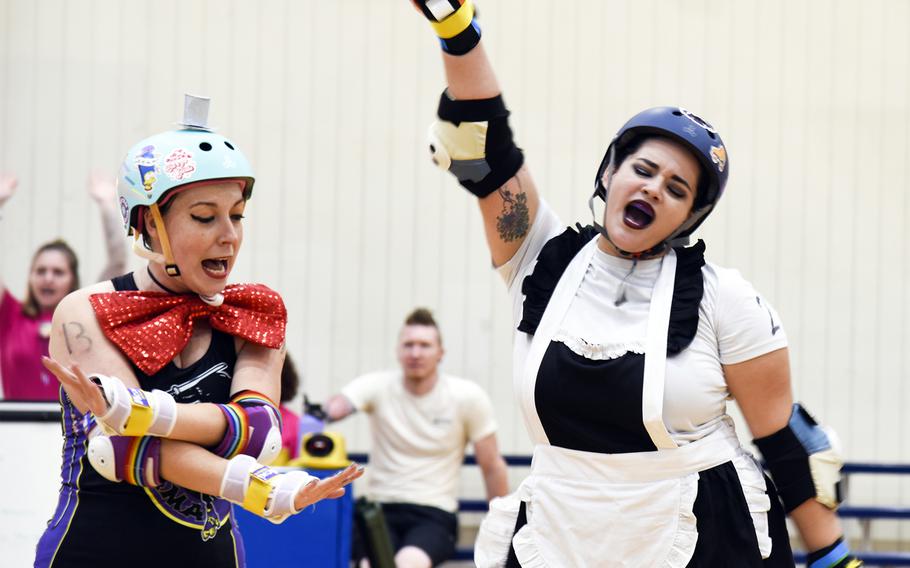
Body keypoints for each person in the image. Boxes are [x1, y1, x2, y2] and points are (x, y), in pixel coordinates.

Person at [408, 3, 861, 567]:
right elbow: (481, 146)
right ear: (610, 173)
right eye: (643, 171)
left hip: (700, 528)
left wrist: (835, 556)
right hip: (562, 527)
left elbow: (787, 445)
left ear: (689, 217)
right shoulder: (539, 256)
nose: (652, 190)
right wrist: (457, 31)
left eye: (676, 189)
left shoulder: (728, 299)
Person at [34, 95, 363, 568]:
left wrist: (140, 410)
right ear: (151, 224)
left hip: (208, 553)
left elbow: (261, 436)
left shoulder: (254, 309)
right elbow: (124, 450)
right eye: (205, 216)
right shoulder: (85, 310)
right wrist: (259, 486)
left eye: (237, 214)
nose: (229, 235)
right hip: (94, 548)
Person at [326, 307, 509, 568]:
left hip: (434, 513)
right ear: (398, 351)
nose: (415, 353)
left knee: (407, 565)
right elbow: (340, 404)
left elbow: (492, 466)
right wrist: (324, 413)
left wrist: (502, 526)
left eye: (424, 345)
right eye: (409, 345)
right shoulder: (378, 386)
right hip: (379, 509)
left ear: (440, 353)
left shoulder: (467, 397)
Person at [0, 173, 127, 400]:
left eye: (58, 272)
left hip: (73, 430)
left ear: (72, 279)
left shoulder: (86, 314)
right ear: (30, 277)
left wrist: (107, 204)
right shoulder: (10, 314)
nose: (48, 278)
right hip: (16, 428)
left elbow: (117, 261)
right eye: (40, 271)